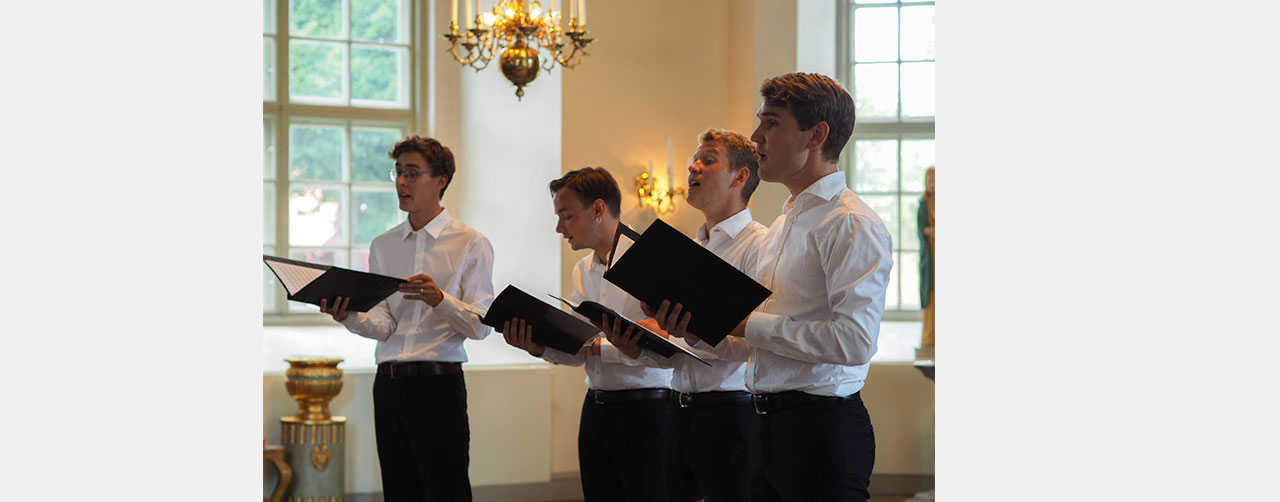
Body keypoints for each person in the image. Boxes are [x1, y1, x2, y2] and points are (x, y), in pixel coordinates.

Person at [651, 73, 893, 502]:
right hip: (765, 424)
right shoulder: (783, 225)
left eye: (772, 123)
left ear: (816, 135)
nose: (756, 136)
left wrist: (747, 324)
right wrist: (695, 328)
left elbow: (855, 342)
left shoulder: (851, 223)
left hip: (821, 429)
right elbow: (750, 346)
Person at [319, 135, 495, 502]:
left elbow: (481, 326)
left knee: (446, 492)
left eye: (412, 173)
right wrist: (348, 315)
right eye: (398, 172)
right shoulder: (383, 245)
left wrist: (441, 300)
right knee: (399, 492)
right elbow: (384, 324)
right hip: (388, 386)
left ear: (441, 180)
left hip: (438, 387)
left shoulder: (471, 243)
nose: (401, 182)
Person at [602, 128, 767, 502]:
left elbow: (751, 345)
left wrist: (693, 332)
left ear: (740, 177)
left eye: (708, 160)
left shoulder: (759, 245)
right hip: (678, 406)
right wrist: (641, 347)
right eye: (694, 160)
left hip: (729, 413)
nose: (693, 166)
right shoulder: (691, 248)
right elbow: (681, 349)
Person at [500, 167, 674, 502]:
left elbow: (664, 346)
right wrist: (538, 347)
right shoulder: (582, 269)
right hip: (596, 407)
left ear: (597, 209)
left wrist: (597, 347)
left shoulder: (651, 259)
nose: (559, 228)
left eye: (566, 216)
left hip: (648, 409)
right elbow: (579, 347)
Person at [918, 166, 935, 347]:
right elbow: (921, 229)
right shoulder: (923, 204)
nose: (932, 185)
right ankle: (930, 336)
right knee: (930, 294)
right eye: (930, 181)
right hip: (930, 256)